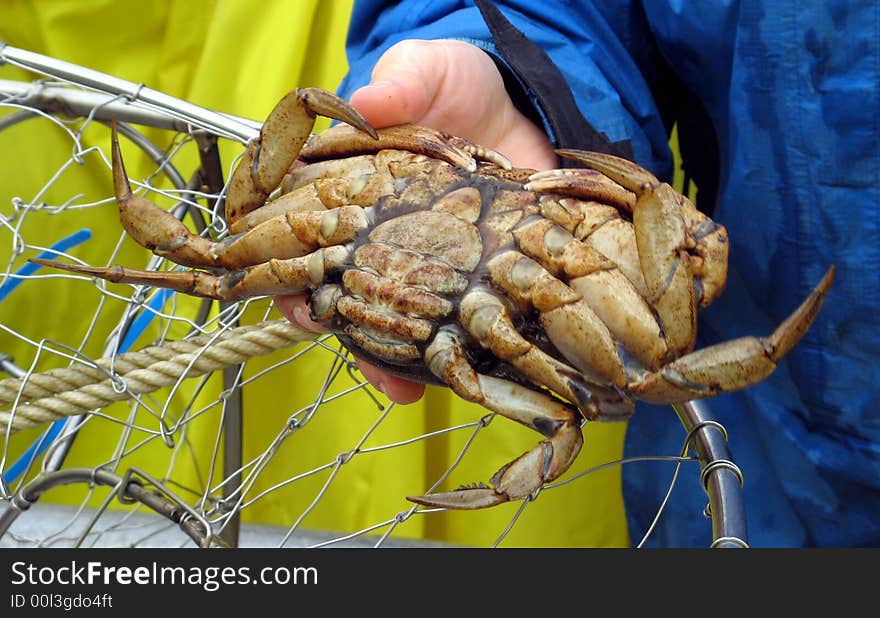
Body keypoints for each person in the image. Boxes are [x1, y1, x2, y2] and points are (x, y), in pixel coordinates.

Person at [275, 0, 880, 547]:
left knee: (638, 368)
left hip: (756, 426)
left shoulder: (572, 259)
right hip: (779, 461)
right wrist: (520, 81)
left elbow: (646, 357)